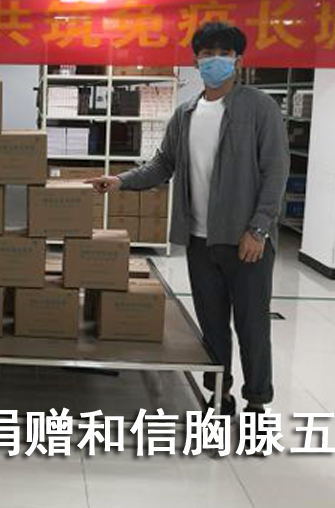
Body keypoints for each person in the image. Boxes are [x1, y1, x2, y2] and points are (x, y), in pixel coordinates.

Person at [86, 22, 289, 419]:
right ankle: (219, 394)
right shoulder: (186, 113)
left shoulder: (259, 108)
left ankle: (257, 402)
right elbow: (163, 163)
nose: (216, 60)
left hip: (246, 241)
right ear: (196, 60)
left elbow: (276, 171)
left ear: (238, 60)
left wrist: (259, 228)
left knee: (252, 325)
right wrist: (121, 180)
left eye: (225, 54)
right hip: (199, 240)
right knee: (212, 325)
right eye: (208, 53)